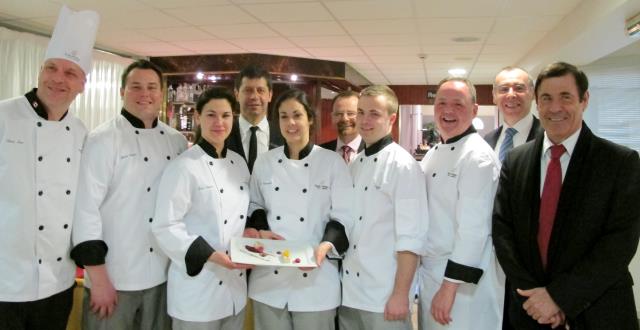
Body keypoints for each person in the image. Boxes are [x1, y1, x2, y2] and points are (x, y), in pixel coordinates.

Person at [493, 62, 640, 329]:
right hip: (528, 310)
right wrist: (536, 297)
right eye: (546, 98)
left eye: (566, 97)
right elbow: (503, 230)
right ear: (537, 103)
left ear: (584, 100)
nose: (555, 108)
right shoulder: (516, 160)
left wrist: (559, 298)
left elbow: (620, 242)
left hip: (596, 310)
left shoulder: (619, 162)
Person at [0, 6, 99, 330]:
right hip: (4, 284)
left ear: (83, 84)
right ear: (40, 71)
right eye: (52, 68)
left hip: (58, 284)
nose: (58, 78)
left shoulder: (83, 134)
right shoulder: (3, 117)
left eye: (70, 73)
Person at [70, 59, 188, 330]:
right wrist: (98, 279)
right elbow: (85, 210)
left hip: (161, 274)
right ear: (122, 92)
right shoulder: (103, 139)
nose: (144, 94)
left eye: (151, 87)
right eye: (136, 86)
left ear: (161, 93)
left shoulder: (176, 141)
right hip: (114, 277)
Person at [244, 88, 354, 330]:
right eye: (283, 116)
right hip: (269, 279)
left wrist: (324, 248)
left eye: (297, 115)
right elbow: (255, 205)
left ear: (310, 119)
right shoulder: (265, 162)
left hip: (316, 278)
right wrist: (261, 230)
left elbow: (344, 216)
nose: (290, 123)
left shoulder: (331, 162)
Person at [153, 87, 252, 330]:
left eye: (226, 115)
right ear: (197, 117)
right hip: (197, 290)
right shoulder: (183, 167)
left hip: (234, 291)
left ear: (234, 118)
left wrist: (253, 231)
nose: (219, 122)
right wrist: (210, 255)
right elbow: (165, 226)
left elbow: (243, 212)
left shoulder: (239, 164)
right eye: (211, 115)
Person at [418, 77, 503, 330]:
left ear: (474, 110)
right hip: (431, 272)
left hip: (461, 283)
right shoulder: (433, 152)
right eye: (442, 102)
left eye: (458, 104)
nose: (448, 110)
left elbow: (474, 230)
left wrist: (449, 286)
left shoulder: (477, 157)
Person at [340, 85, 428, 330]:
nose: (364, 120)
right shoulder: (355, 163)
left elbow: (411, 238)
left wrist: (401, 295)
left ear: (391, 118)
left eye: (374, 114)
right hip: (350, 292)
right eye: (360, 112)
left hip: (384, 295)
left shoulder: (403, 165)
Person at [226, 64, 284, 172]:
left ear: (270, 95)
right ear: (237, 94)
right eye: (248, 90)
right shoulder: (224, 134)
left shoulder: (283, 135)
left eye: (260, 90)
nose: (254, 96)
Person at [484, 67, 543, 163]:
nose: (511, 95)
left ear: (533, 93)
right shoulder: (488, 139)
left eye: (519, 88)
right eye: (504, 89)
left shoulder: (548, 135)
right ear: (494, 96)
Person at [320, 90, 365, 163]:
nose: (345, 119)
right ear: (332, 117)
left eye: (350, 113)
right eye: (339, 114)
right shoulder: (320, 152)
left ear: (362, 116)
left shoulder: (374, 151)